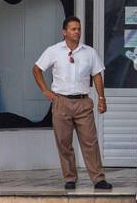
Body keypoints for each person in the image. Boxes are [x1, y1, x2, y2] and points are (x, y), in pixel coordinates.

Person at [32, 17, 113, 191]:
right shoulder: (53, 51)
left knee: (90, 142)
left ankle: (98, 179)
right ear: (64, 32)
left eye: (79, 29)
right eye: (73, 29)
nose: (77, 32)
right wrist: (46, 91)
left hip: (83, 102)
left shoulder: (89, 52)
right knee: (64, 142)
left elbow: (97, 75)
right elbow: (37, 69)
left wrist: (102, 98)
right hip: (61, 102)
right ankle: (70, 178)